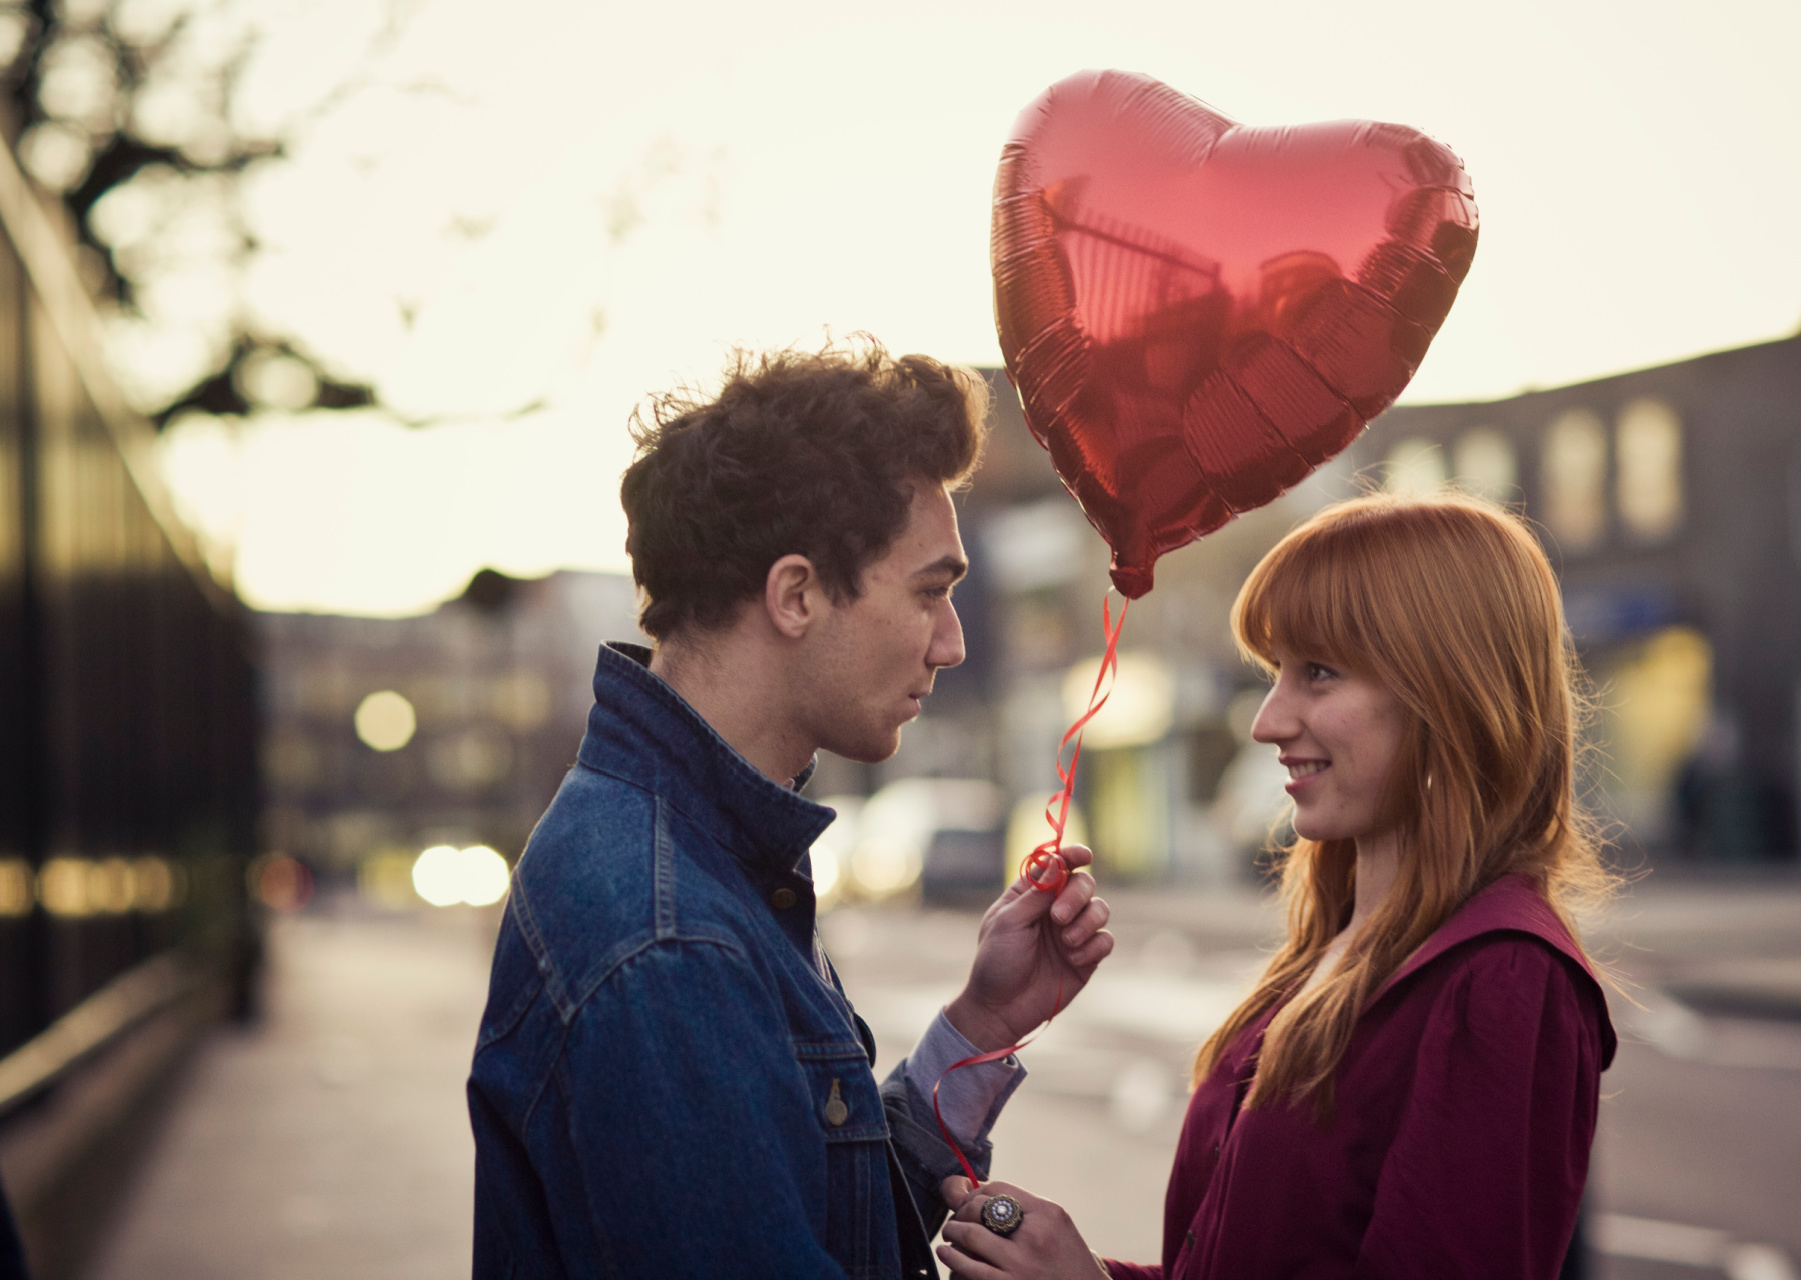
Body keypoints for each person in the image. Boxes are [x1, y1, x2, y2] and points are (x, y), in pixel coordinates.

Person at [467, 341, 1115, 1278]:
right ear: (797, 594)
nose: (952, 643)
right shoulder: (669, 939)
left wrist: (980, 1025)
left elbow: (821, 1205)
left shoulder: (694, 858)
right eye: (931, 591)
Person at [938, 492, 1618, 1280]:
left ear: (1446, 692)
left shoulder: (1501, 976)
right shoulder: (1330, 953)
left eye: (1318, 673)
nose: (1266, 721)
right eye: (1276, 673)